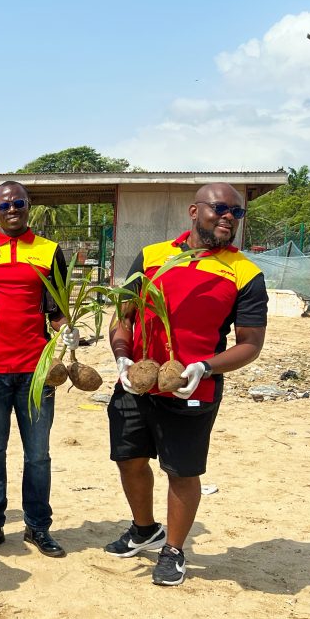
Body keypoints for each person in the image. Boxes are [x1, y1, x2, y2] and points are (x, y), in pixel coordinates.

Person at [105, 182, 267, 586]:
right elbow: (123, 316)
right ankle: (145, 529)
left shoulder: (244, 272)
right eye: (220, 208)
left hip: (192, 387)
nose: (229, 217)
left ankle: (174, 550)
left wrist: (204, 368)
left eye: (237, 212)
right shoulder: (153, 256)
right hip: (138, 381)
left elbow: (250, 344)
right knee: (129, 458)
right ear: (195, 211)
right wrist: (122, 355)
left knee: (181, 470)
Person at [0, 181, 77, 557]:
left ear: (28, 206)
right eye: (5, 205)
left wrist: (68, 331)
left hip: (37, 372)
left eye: (18, 203)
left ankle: (38, 527)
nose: (12, 210)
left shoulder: (49, 251)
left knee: (37, 454)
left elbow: (56, 310)